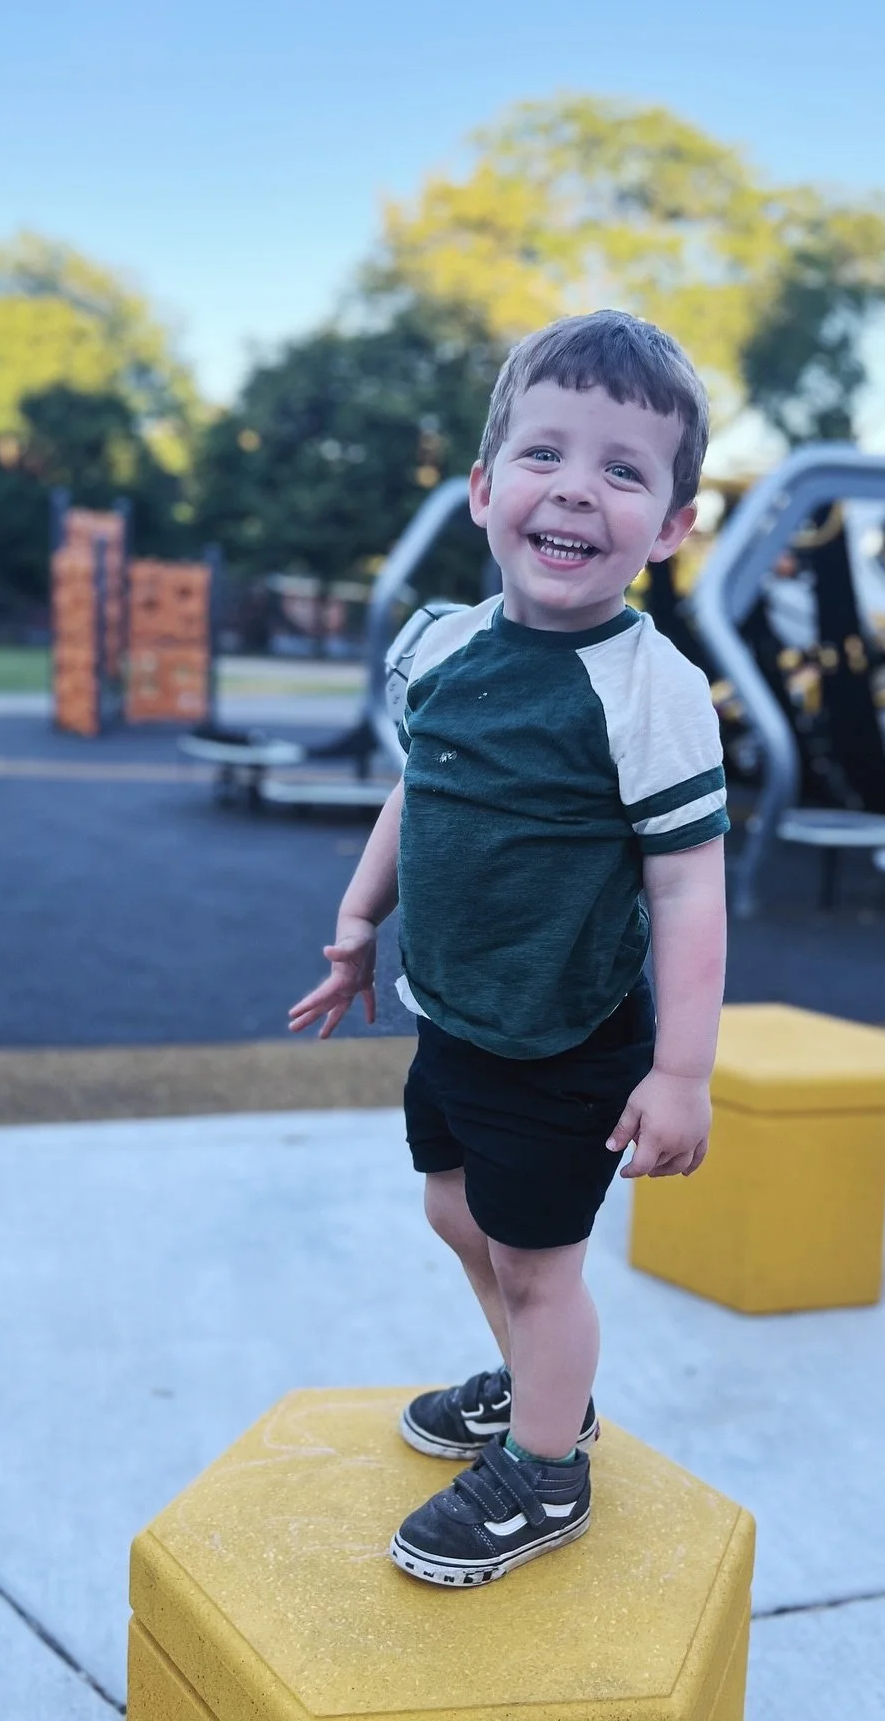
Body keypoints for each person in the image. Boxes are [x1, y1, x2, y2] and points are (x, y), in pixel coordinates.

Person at [288, 310, 729, 1588]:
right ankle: (544, 1387)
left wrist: (684, 1071)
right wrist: (361, 926)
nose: (576, 489)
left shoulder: (651, 693)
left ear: (671, 527)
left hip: (567, 1040)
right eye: (545, 455)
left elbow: (691, 892)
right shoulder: (436, 644)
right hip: (455, 1016)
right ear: (485, 491)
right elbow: (416, 796)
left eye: (624, 470)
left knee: (540, 1266)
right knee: (450, 1207)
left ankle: (549, 1468)